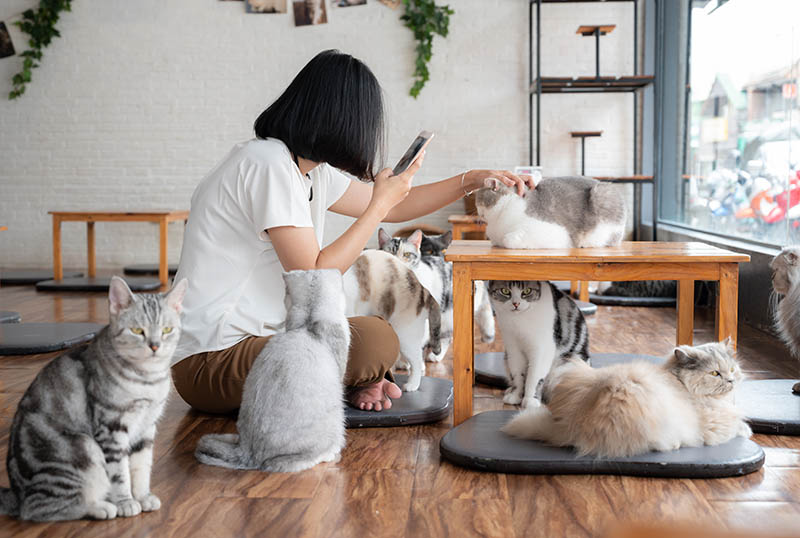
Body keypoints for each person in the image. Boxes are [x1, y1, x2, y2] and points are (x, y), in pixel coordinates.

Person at [170, 49, 532, 415]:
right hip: (209, 362)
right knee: (376, 341)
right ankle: (353, 380)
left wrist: (469, 180)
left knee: (373, 337)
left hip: (266, 343)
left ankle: (355, 382)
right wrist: (379, 205)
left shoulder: (308, 170)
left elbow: (399, 206)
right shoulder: (267, 164)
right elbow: (314, 272)